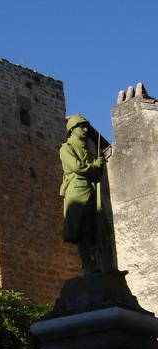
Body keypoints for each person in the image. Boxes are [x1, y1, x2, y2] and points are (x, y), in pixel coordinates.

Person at [59, 114, 105, 274]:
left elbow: (96, 176)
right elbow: (77, 167)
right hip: (77, 192)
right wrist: (94, 166)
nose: (85, 130)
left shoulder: (87, 150)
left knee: (95, 229)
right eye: (81, 126)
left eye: (86, 126)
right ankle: (88, 265)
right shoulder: (67, 148)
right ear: (72, 129)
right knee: (82, 230)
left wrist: (99, 166)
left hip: (90, 191)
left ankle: (100, 264)